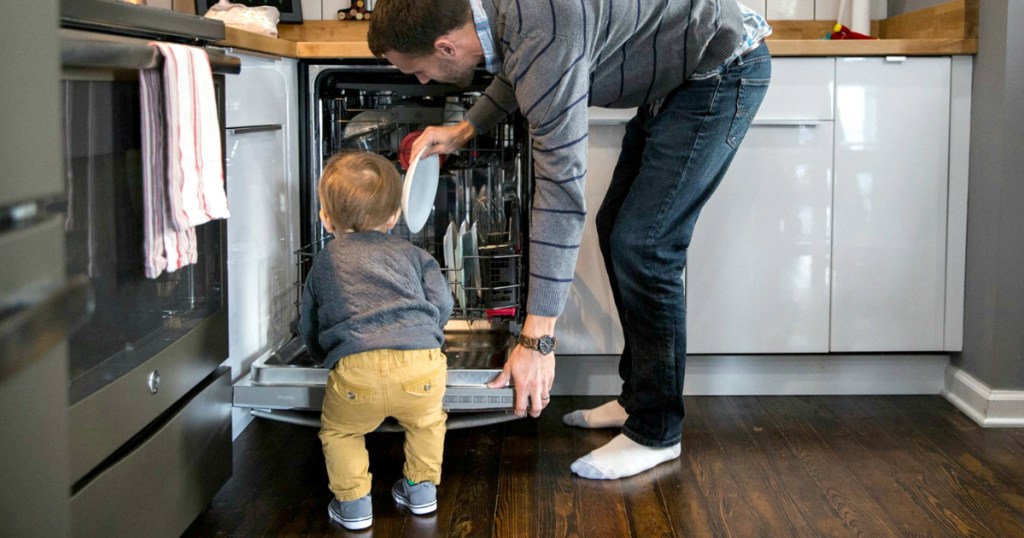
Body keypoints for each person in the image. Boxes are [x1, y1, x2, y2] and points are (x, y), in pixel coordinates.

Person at [368, 0, 771, 480]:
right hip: (675, 77)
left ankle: (657, 431)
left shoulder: (543, 28)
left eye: (419, 71)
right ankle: (640, 399)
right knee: (619, 231)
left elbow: (560, 190)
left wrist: (537, 339)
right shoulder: (507, 18)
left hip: (721, 67)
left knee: (645, 247)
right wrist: (464, 129)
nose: (422, 82)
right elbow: (525, 70)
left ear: (446, 46)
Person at [299, 152, 454, 530]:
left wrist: (325, 356)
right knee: (427, 424)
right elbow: (443, 303)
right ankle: (420, 493)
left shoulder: (325, 260)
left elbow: (310, 321)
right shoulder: (415, 254)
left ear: (325, 217)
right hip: (421, 365)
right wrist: (430, 335)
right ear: (394, 217)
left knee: (341, 432)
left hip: (356, 369)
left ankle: (353, 505)